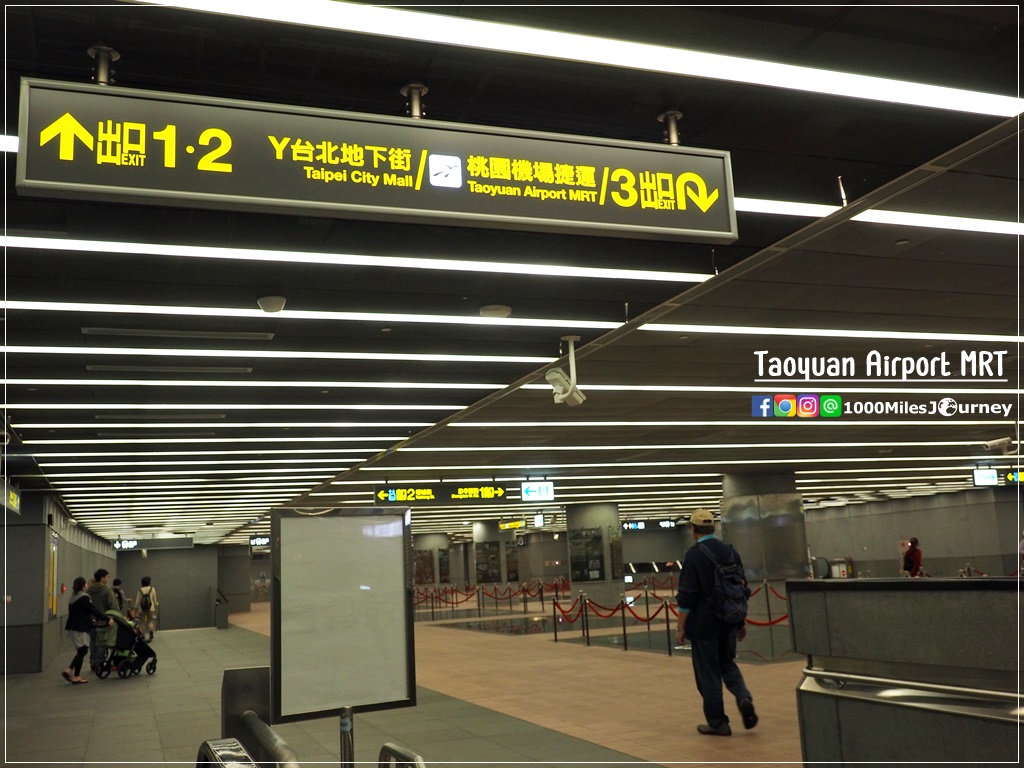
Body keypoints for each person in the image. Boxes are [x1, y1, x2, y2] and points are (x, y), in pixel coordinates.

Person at [675, 509, 758, 736]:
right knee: (727, 664)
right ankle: (743, 697)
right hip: (728, 620)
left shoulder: (694, 555)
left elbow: (687, 595)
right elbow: (740, 589)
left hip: (703, 625)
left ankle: (718, 722)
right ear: (713, 527)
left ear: (692, 529)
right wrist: (740, 621)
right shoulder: (730, 551)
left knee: (708, 674)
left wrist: (681, 626)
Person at [63, 576, 114, 684]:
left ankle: (71, 671)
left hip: (72, 626)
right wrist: (107, 619)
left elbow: (80, 613)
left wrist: (90, 621)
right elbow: (93, 610)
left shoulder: (72, 597)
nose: (87, 585)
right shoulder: (84, 597)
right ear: (83, 586)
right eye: (85, 584)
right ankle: (74, 674)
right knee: (82, 651)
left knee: (81, 650)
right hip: (79, 628)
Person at [86, 568, 120, 670]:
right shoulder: (107, 590)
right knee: (102, 642)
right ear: (102, 578)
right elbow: (113, 606)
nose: (108, 578)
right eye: (107, 576)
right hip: (104, 621)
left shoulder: (88, 591)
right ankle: (99, 662)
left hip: (91, 621)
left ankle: (93, 659)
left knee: (93, 641)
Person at [135, 576, 158, 641]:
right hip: (150, 608)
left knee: (141, 622)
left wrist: (135, 610)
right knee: (150, 621)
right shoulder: (152, 589)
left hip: (141, 609)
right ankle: (150, 632)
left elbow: (137, 601)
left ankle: (142, 635)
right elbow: (154, 599)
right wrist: (155, 606)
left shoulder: (140, 590)